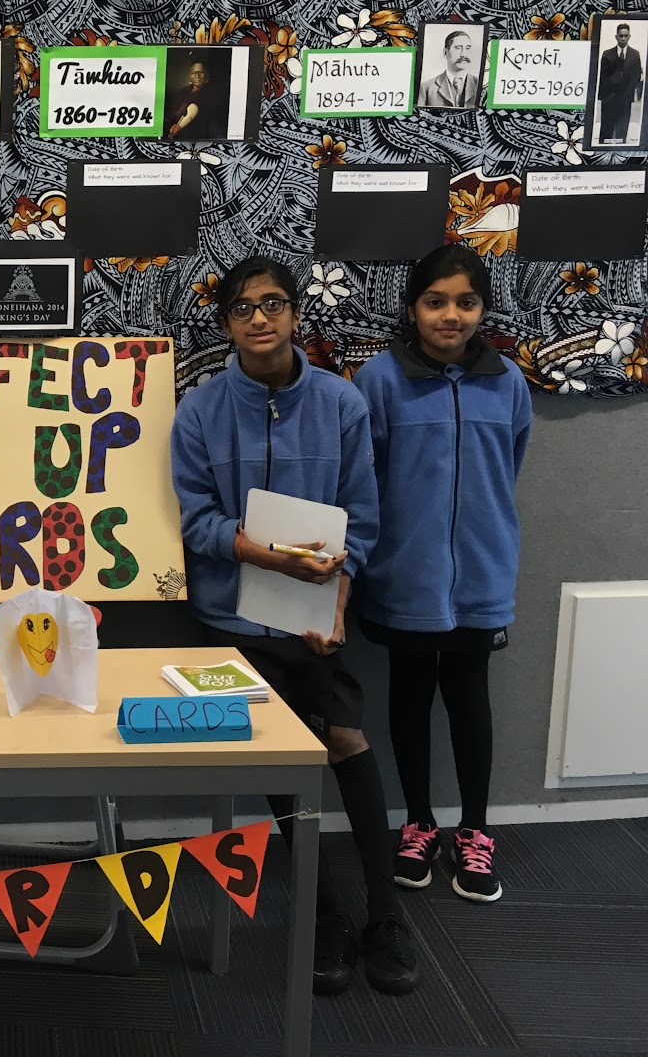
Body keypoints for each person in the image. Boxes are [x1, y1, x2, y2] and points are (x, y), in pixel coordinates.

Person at [170, 256, 418, 997]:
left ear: (296, 314)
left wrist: (335, 607)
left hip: (317, 615)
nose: (260, 318)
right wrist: (259, 553)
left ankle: (387, 915)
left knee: (346, 741)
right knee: (281, 757)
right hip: (234, 617)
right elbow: (195, 521)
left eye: (273, 303)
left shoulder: (341, 402)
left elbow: (361, 518)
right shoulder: (199, 410)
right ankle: (326, 914)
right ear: (226, 324)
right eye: (243, 308)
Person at [353, 244, 532, 906]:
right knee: (408, 695)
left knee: (468, 698)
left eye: (465, 302)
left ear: (483, 310)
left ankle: (475, 829)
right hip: (404, 576)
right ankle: (419, 823)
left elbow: (509, 465)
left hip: (481, 576)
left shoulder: (507, 381)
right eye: (435, 301)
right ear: (412, 308)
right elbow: (364, 478)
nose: (450, 315)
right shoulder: (378, 380)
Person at [597, 22, 642, 143]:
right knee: (607, 127)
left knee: (622, 126)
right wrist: (607, 94)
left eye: (625, 36)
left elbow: (636, 76)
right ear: (616, 36)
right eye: (621, 36)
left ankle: (621, 146)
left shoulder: (634, 54)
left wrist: (629, 91)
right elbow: (603, 76)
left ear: (629, 36)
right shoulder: (607, 54)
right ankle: (603, 147)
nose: (623, 38)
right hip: (609, 96)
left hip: (625, 97)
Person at [420, 30, 479, 108]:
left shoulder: (480, 86)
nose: (464, 54)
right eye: (458, 48)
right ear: (445, 53)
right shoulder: (426, 88)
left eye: (467, 48)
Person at [165, 60, 223, 139]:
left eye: (200, 72)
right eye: (193, 73)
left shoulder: (213, 96)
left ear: (206, 75)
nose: (197, 76)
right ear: (190, 76)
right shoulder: (181, 93)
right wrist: (171, 127)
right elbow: (170, 114)